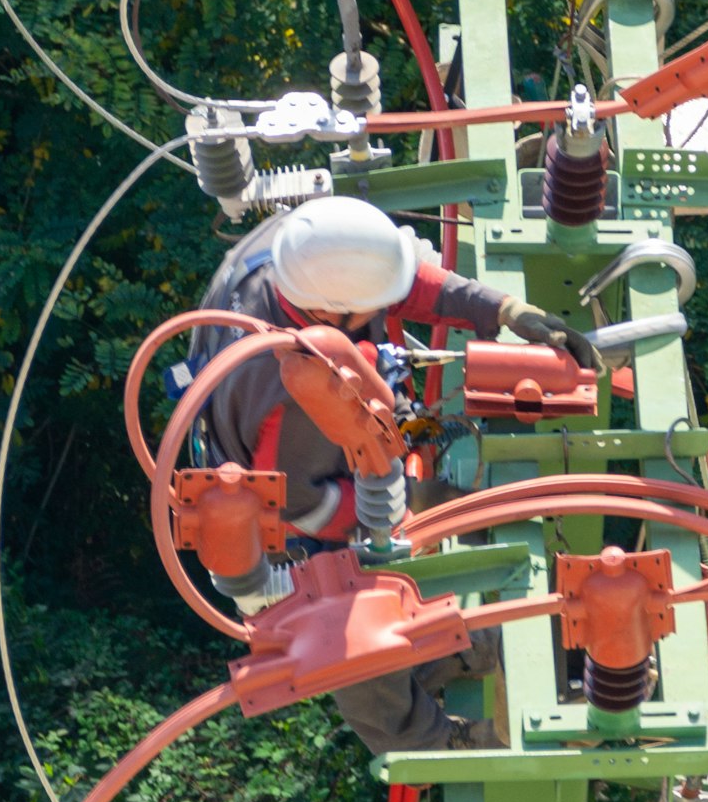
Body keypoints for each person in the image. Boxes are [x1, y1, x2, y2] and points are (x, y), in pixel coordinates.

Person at [189, 196, 592, 754]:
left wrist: (503, 310)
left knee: (457, 512)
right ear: (332, 317)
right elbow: (302, 506)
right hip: (299, 519)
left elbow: (408, 284)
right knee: (356, 641)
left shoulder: (304, 253)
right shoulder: (290, 394)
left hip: (337, 455)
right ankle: (430, 741)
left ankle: (480, 640)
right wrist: (394, 508)